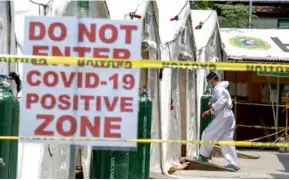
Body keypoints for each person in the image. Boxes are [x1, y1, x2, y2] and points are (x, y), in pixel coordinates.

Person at [195, 72, 240, 171]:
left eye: (208, 81)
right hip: (228, 116)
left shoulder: (218, 89)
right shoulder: (221, 89)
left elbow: (221, 102)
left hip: (223, 115)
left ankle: (203, 156)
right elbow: (220, 100)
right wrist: (212, 101)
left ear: (212, 79)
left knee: (208, 133)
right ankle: (234, 164)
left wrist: (210, 111)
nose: (208, 83)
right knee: (226, 140)